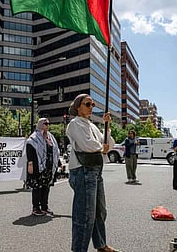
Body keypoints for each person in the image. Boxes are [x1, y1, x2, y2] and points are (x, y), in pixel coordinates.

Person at [66, 94, 120, 252]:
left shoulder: (91, 125)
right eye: (88, 104)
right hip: (83, 171)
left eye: (93, 104)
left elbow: (108, 143)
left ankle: (101, 244)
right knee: (85, 216)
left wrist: (107, 125)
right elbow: (87, 144)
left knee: (99, 211)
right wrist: (101, 147)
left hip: (95, 171)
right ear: (78, 106)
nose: (91, 107)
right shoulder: (75, 124)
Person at [26, 118, 60, 216]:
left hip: (49, 166)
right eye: (45, 123)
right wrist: (30, 164)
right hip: (38, 166)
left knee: (46, 186)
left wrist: (58, 163)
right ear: (41, 124)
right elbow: (29, 150)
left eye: (48, 124)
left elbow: (55, 151)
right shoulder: (34, 137)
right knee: (37, 187)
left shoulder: (50, 137)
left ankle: (44, 207)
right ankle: (36, 208)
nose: (47, 125)